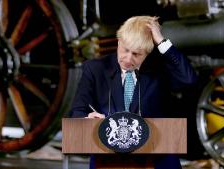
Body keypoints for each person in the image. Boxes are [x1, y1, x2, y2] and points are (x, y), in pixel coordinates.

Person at [70, 15, 198, 169]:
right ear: (119, 42)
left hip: (156, 159)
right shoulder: (95, 69)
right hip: (108, 161)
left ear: (147, 52)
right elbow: (77, 112)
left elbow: (189, 79)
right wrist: (86, 119)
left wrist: (162, 42)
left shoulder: (159, 70)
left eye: (136, 54)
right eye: (125, 50)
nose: (128, 59)